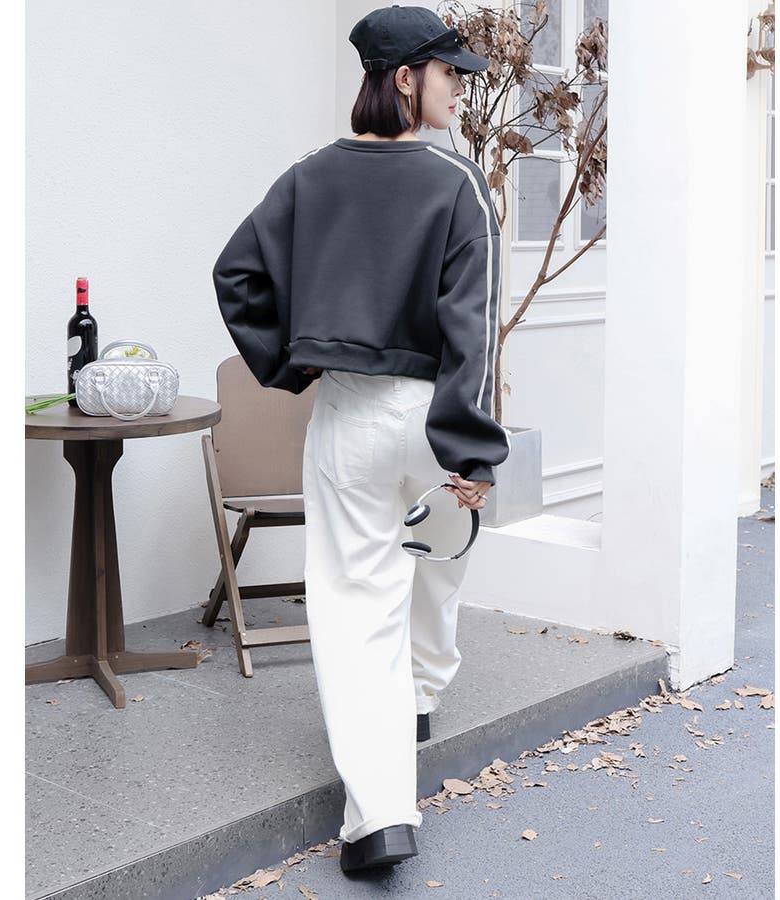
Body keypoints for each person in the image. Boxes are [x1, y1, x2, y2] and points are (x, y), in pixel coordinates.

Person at [212, 3, 510, 875]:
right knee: (438, 563)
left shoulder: (308, 179)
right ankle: (416, 698)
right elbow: (473, 331)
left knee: (355, 603)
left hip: (348, 416)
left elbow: (236, 275)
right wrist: (470, 451)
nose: (460, 88)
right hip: (431, 411)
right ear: (405, 78)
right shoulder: (459, 186)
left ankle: (381, 819)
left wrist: (293, 363)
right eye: (449, 72)